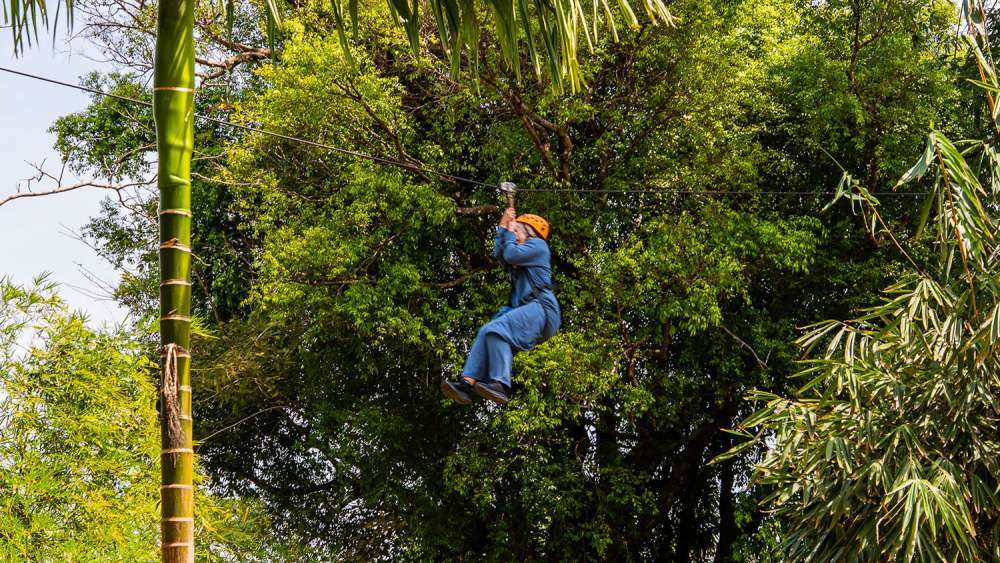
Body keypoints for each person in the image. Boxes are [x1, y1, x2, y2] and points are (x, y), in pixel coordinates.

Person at [441, 207, 561, 405]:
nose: (514, 235)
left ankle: (500, 384)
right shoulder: (520, 252)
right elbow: (501, 254)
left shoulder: (539, 246)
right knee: (487, 331)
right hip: (527, 310)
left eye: (517, 231)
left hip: (542, 310)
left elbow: (511, 253)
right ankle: (466, 384)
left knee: (498, 330)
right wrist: (504, 227)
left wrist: (509, 230)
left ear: (529, 232)